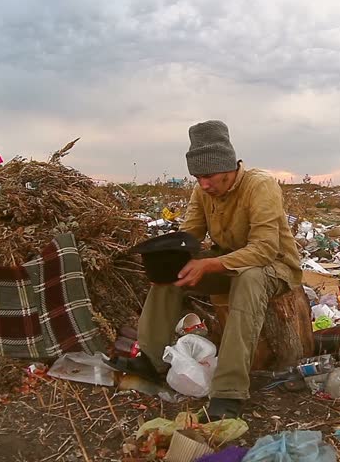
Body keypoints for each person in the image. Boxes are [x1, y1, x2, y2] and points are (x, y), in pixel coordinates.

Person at [110, 120, 302, 421]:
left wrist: (210, 263)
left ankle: (229, 389)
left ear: (229, 168)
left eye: (209, 177)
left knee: (249, 278)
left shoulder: (260, 185)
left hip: (273, 267)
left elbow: (264, 249)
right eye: (198, 177)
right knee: (172, 272)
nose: (204, 185)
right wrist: (168, 256)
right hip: (228, 262)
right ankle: (151, 360)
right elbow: (190, 235)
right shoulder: (203, 192)